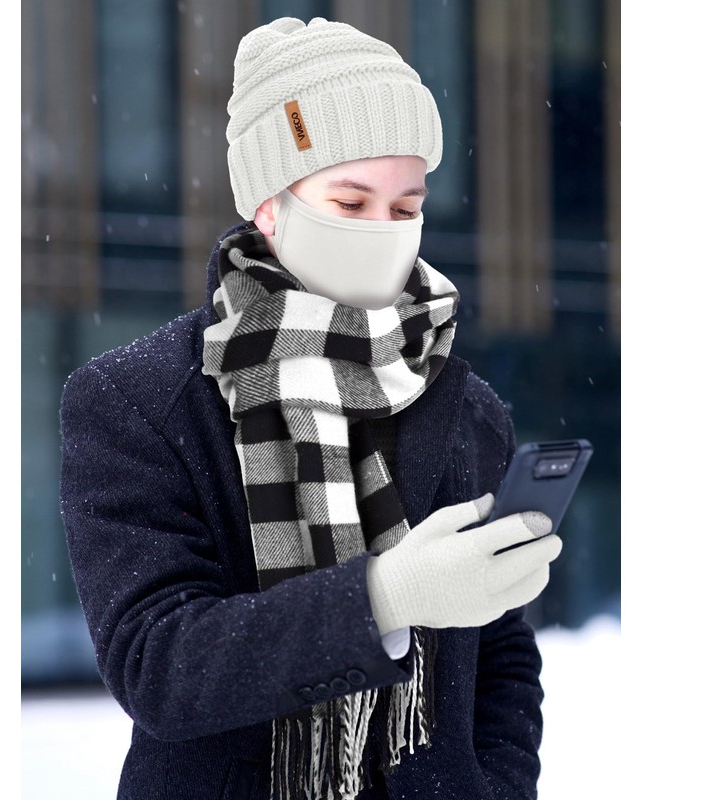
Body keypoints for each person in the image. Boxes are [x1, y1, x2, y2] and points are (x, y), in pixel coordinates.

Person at [59, 17, 562, 800]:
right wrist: (384, 598)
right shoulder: (138, 400)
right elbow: (158, 664)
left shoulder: (462, 404)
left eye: (405, 207)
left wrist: (494, 786)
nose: (383, 232)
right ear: (270, 206)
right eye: (351, 201)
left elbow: (500, 656)